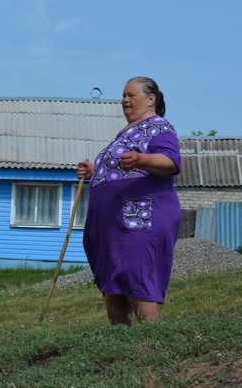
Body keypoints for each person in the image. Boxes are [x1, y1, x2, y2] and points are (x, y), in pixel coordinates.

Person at [76, 77, 181, 325]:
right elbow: (120, 171)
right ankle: (121, 348)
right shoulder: (126, 133)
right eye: (123, 95)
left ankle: (151, 344)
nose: (125, 99)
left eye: (131, 95)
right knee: (114, 282)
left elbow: (171, 162)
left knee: (136, 276)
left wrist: (142, 160)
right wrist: (94, 172)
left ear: (150, 99)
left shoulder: (158, 126)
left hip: (139, 216)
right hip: (114, 221)